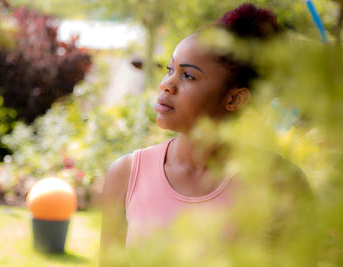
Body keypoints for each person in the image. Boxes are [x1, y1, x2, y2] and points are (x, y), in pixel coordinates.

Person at [100, 3, 312, 266]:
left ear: (235, 98)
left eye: (188, 75)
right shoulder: (126, 175)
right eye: (170, 69)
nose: (167, 85)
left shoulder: (282, 184)